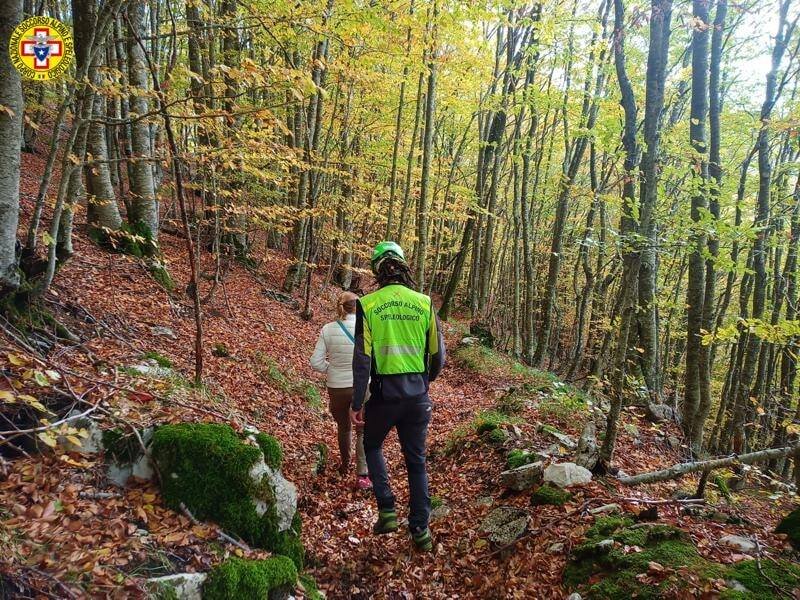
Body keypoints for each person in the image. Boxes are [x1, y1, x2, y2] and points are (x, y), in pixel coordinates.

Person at [350, 241, 445, 552]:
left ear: (378, 270)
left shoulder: (369, 304)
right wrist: (423, 382)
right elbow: (438, 356)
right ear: (403, 265)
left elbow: (362, 359)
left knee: (372, 444)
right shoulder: (423, 302)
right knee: (416, 461)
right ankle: (421, 530)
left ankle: (387, 509)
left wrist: (356, 402)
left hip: (383, 396)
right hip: (417, 396)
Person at [310, 291, 371, 490]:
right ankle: (362, 473)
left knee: (344, 427)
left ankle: (345, 465)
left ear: (340, 307)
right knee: (362, 430)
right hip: (363, 386)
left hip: (337, 387)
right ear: (359, 306)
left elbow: (315, 362)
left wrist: (333, 370)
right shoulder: (368, 328)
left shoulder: (328, 329)